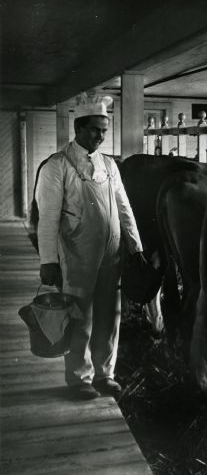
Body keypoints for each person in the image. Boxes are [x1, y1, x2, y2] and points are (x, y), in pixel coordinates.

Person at [36, 93, 145, 401]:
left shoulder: (110, 165)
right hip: (76, 255)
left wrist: (135, 248)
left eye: (105, 130)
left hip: (111, 255)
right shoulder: (57, 167)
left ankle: (105, 374)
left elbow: (124, 208)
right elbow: (47, 220)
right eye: (96, 129)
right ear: (79, 128)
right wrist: (49, 260)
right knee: (80, 316)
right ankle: (79, 376)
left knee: (111, 315)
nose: (101, 135)